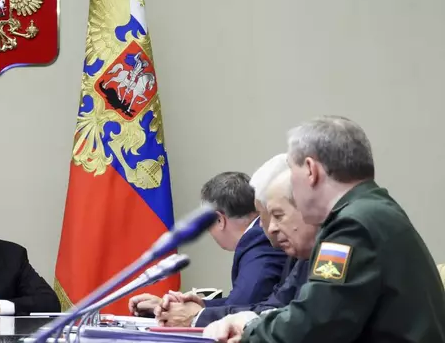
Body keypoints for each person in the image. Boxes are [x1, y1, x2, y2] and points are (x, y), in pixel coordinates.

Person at [204, 115, 445, 343]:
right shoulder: (374, 209)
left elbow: (314, 325)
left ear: (311, 170)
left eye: (291, 170)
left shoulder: (351, 226)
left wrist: (250, 331)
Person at [129, 172, 288, 326]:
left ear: (219, 220)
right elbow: (241, 304)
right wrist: (181, 307)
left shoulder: (260, 240)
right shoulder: (256, 238)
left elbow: (241, 309)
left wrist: (193, 314)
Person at [195, 166, 317, 327]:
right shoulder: (301, 252)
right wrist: (202, 307)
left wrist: (198, 314)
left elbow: (247, 302)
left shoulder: (259, 239)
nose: (269, 226)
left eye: (277, 215)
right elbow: (275, 305)